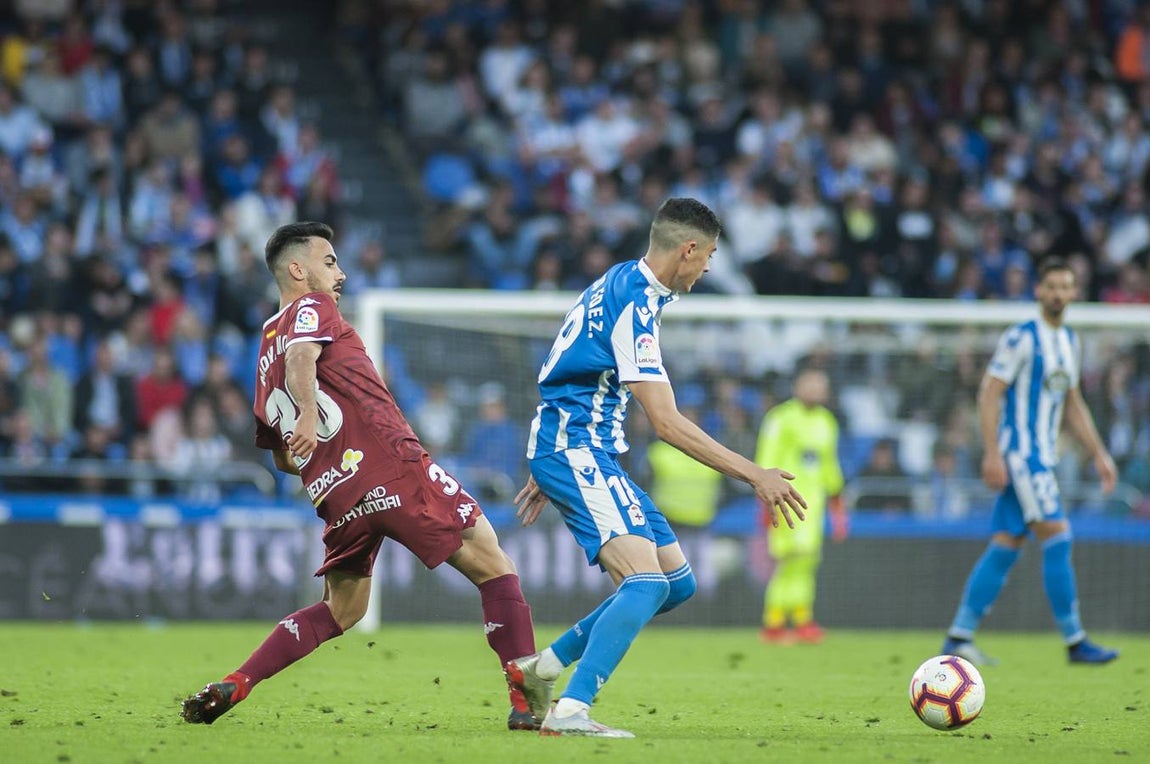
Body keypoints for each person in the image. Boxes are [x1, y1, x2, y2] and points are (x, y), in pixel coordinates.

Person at [180, 222, 542, 729]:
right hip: (390, 467)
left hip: (336, 495)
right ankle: (527, 703)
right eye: (330, 262)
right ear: (297, 269)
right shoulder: (312, 308)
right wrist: (311, 414)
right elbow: (303, 356)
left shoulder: (263, 351)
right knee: (494, 565)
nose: (341, 273)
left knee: (342, 610)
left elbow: (282, 458)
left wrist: (317, 443)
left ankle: (239, 681)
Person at [506, 198, 807, 738]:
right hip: (577, 450)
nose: (708, 268)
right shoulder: (635, 306)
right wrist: (755, 474)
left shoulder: (619, 279)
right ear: (688, 249)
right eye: (709, 255)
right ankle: (570, 710)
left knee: (676, 584)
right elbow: (666, 423)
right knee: (644, 583)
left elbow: (567, 363)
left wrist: (548, 451)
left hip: (578, 450)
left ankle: (541, 670)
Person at [941, 259, 1119, 666]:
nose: (1057, 293)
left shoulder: (1069, 341)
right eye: (1051, 286)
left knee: (1007, 544)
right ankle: (1076, 641)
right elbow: (990, 391)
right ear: (1038, 290)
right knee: (1058, 536)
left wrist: (1099, 453)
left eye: (1065, 287)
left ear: (1074, 293)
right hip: (1023, 455)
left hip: (1043, 456)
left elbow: (1072, 403)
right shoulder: (1022, 337)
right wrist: (992, 452)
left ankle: (958, 637)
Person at [755, 368, 847, 645]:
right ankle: (773, 622)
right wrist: (764, 502)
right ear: (797, 387)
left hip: (814, 505)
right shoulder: (780, 418)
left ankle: (802, 619)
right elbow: (766, 458)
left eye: (820, 386)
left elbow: (829, 465)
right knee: (788, 562)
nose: (815, 391)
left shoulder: (827, 421)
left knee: (806, 563)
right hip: (784, 500)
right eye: (810, 385)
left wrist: (838, 508)